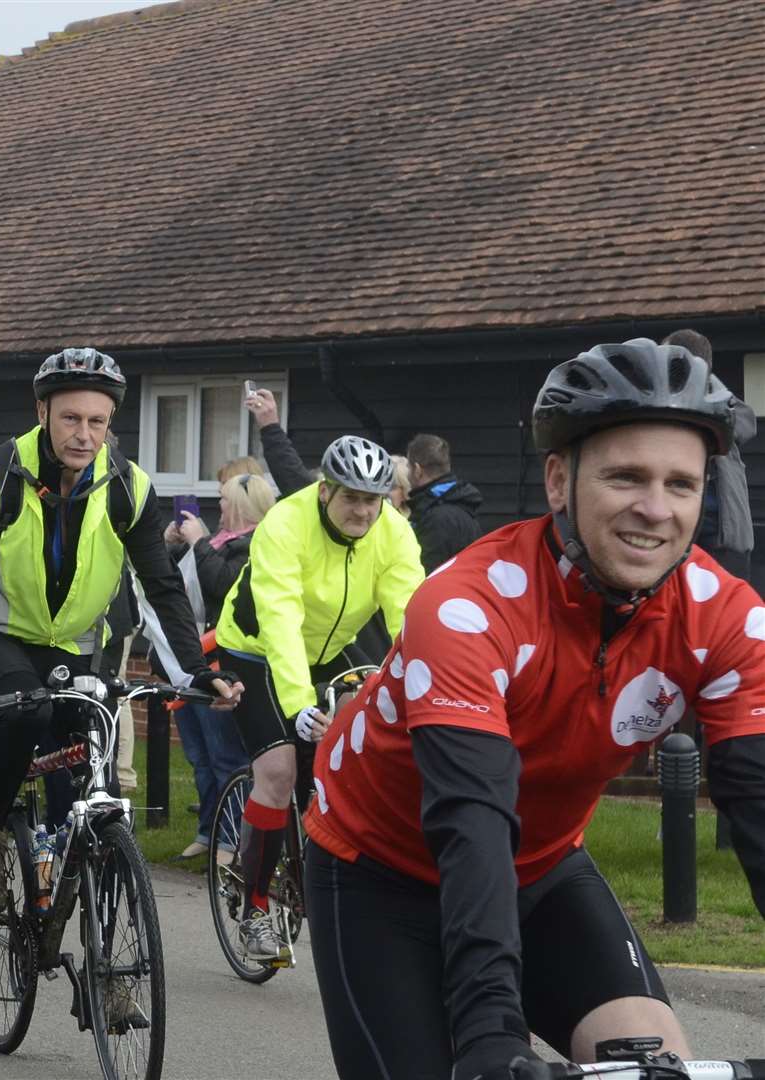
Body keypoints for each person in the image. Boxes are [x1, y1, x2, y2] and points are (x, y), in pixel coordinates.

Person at [304, 339, 765, 1079]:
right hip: (379, 870)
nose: (655, 509)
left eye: (681, 484)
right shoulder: (467, 606)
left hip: (541, 867)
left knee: (656, 1066)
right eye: (625, 477)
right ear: (558, 480)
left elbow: (757, 801)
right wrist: (490, 1034)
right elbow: (473, 817)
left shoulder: (726, 619)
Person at [0, 348, 243, 913]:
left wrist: (197, 672)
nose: (84, 435)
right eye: (71, 419)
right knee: (26, 713)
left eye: (97, 422)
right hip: (9, 636)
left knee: (87, 767)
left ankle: (101, 949)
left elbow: (161, 585)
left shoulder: (128, 487)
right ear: (42, 412)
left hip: (85, 644)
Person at [212, 433, 423, 964]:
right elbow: (281, 618)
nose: (362, 510)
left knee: (357, 758)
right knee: (280, 770)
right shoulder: (285, 524)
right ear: (325, 491)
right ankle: (256, 910)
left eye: (371, 499)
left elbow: (409, 616)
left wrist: (423, 683)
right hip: (257, 649)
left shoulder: (394, 532)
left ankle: (340, 874)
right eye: (350, 497)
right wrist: (298, 703)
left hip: (328, 647)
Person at [164, 472, 275, 859]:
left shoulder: (258, 545)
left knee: (227, 756)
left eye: (225, 500)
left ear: (243, 504)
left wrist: (198, 542)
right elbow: (175, 585)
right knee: (199, 756)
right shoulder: (219, 543)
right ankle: (208, 830)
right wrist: (175, 546)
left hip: (227, 664)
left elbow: (224, 586)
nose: (219, 507)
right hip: (197, 658)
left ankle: (232, 839)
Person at [665, 329, 756, 582]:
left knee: (729, 616)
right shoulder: (663, 401)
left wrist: (705, 380)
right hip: (678, 533)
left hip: (722, 537)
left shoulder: (723, 405)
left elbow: (746, 424)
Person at [405, 432, 484, 573]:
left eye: (408, 467)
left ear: (417, 470)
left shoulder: (435, 518)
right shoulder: (462, 506)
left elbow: (426, 575)